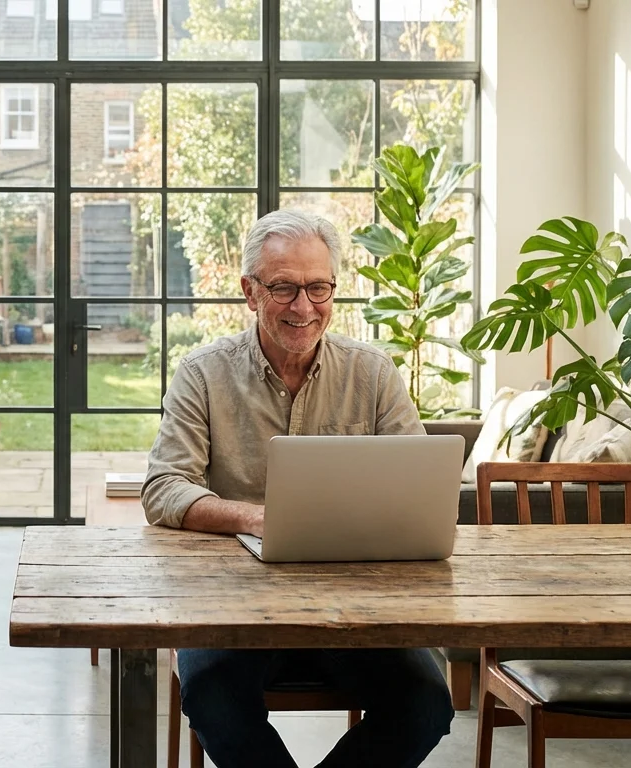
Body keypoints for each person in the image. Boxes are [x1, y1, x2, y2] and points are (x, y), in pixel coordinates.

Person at [141, 209, 453, 768]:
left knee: (426, 703)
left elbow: (419, 478)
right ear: (249, 291)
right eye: (284, 287)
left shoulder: (373, 373)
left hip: (359, 605)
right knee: (212, 693)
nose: (304, 307)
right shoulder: (203, 373)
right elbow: (164, 487)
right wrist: (255, 517)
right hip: (232, 606)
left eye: (318, 287)